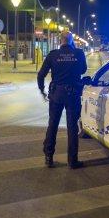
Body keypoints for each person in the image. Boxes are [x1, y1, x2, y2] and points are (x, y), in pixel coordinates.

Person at [37, 31, 87, 169]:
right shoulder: (79, 53)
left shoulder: (53, 54)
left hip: (56, 94)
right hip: (73, 94)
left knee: (52, 125)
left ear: (61, 41)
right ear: (71, 41)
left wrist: (42, 90)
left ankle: (48, 157)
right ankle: (72, 161)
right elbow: (83, 70)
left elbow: (41, 75)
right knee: (72, 127)